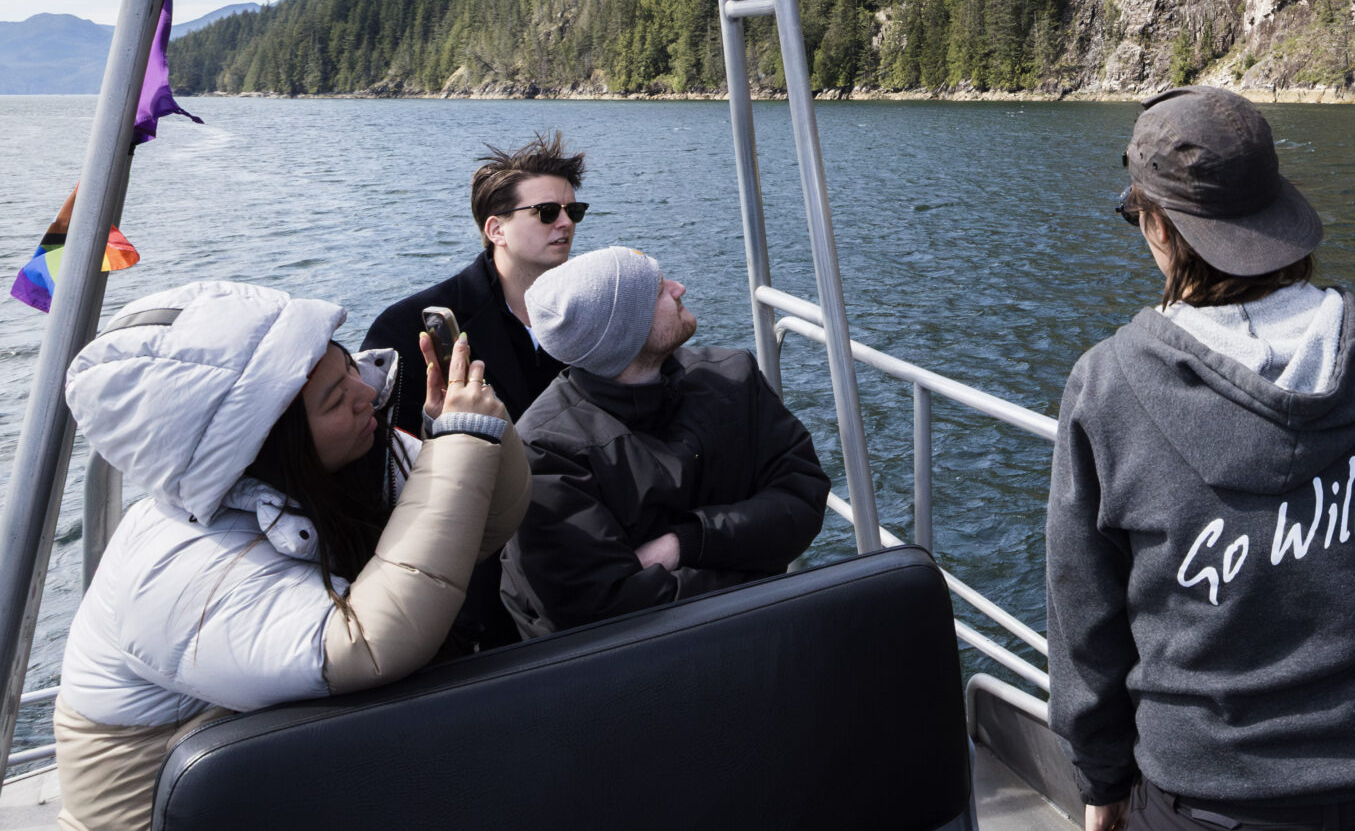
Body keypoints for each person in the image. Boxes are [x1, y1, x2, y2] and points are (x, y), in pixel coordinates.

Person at [1047, 87, 1355, 831]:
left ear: (1160, 225)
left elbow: (1084, 620)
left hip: (1208, 801)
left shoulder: (1107, 386)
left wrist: (1102, 781)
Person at [54, 280, 529, 831]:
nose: (365, 392)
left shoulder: (341, 459)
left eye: (347, 367)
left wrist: (463, 435)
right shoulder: (176, 569)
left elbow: (483, 525)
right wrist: (461, 443)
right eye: (334, 397)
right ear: (267, 443)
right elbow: (368, 643)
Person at [500, 246, 827, 638]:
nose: (679, 288)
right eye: (658, 291)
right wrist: (754, 564)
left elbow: (803, 496)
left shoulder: (732, 377)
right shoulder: (545, 450)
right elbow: (602, 614)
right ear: (624, 331)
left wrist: (686, 542)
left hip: (748, 633)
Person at [365, 132, 583, 652]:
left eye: (575, 211)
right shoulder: (407, 327)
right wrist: (437, 426)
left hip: (580, 535)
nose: (567, 224)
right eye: (548, 211)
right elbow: (379, 460)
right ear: (496, 229)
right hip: (481, 567)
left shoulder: (586, 312)